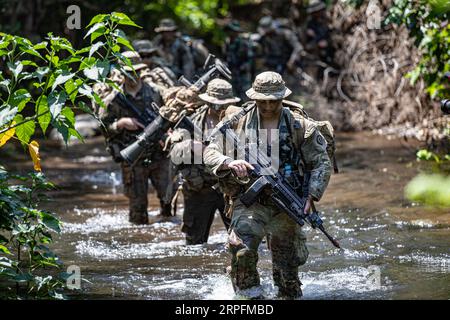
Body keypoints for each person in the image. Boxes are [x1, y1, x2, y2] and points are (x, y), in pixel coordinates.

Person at [203, 71, 332, 299]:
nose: (269, 106)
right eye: (263, 102)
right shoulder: (237, 122)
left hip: (287, 203)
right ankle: (249, 297)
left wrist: (312, 196)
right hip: (249, 200)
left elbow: (321, 162)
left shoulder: (299, 126)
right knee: (241, 250)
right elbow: (209, 151)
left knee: (287, 277)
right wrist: (229, 162)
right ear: (255, 98)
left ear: (283, 98)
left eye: (275, 101)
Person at [94, 51, 174, 224]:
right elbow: (102, 128)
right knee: (137, 212)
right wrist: (120, 124)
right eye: (128, 72)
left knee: (169, 203)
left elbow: (174, 118)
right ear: (121, 74)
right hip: (133, 159)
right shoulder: (113, 100)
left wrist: (169, 134)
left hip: (160, 155)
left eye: (136, 72)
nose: (133, 76)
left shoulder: (157, 93)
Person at [167, 79, 241, 244]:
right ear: (207, 101)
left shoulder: (240, 121)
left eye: (224, 104)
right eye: (215, 104)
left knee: (244, 241)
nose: (219, 108)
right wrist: (191, 145)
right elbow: (173, 153)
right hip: (199, 190)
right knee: (194, 245)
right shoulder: (192, 119)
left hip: (231, 189)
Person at [223, 20, 254, 101]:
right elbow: (226, 57)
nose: (230, 33)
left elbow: (249, 59)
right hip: (232, 73)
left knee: (245, 95)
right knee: (234, 95)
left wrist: (242, 68)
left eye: (232, 31)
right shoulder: (227, 43)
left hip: (242, 73)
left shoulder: (243, 43)